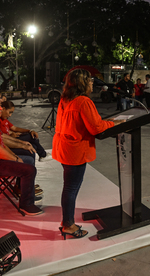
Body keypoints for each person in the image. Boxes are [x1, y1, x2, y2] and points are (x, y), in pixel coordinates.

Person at [52, 69, 117, 239]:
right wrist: (115, 123)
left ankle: (67, 222)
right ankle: (68, 225)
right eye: (89, 80)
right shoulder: (83, 101)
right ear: (82, 83)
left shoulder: (65, 99)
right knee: (71, 189)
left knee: (69, 188)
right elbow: (96, 128)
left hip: (64, 147)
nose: (92, 83)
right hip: (75, 150)